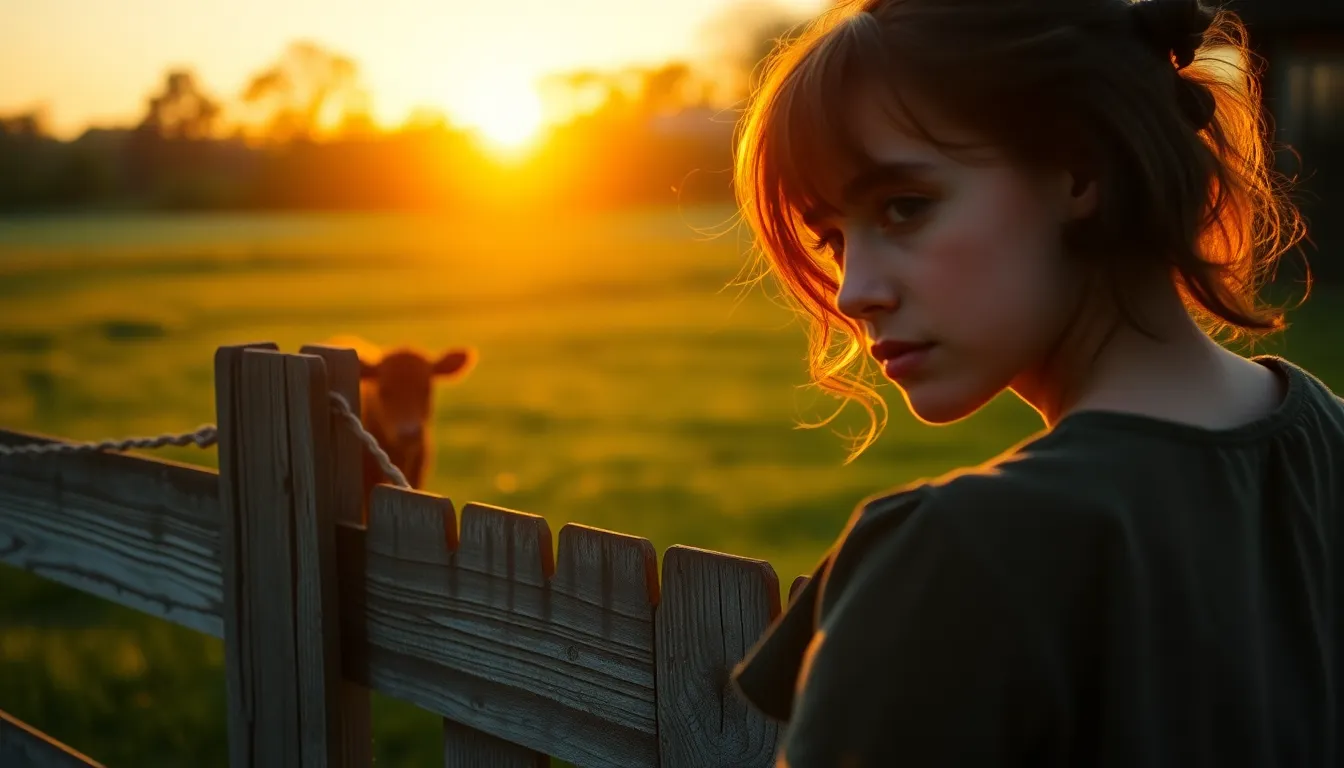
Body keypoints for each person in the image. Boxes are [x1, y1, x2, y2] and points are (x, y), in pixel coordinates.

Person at [727, 0, 1343, 765]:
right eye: (833, 239)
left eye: (904, 207)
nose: (854, 292)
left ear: (1079, 169)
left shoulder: (958, 559)